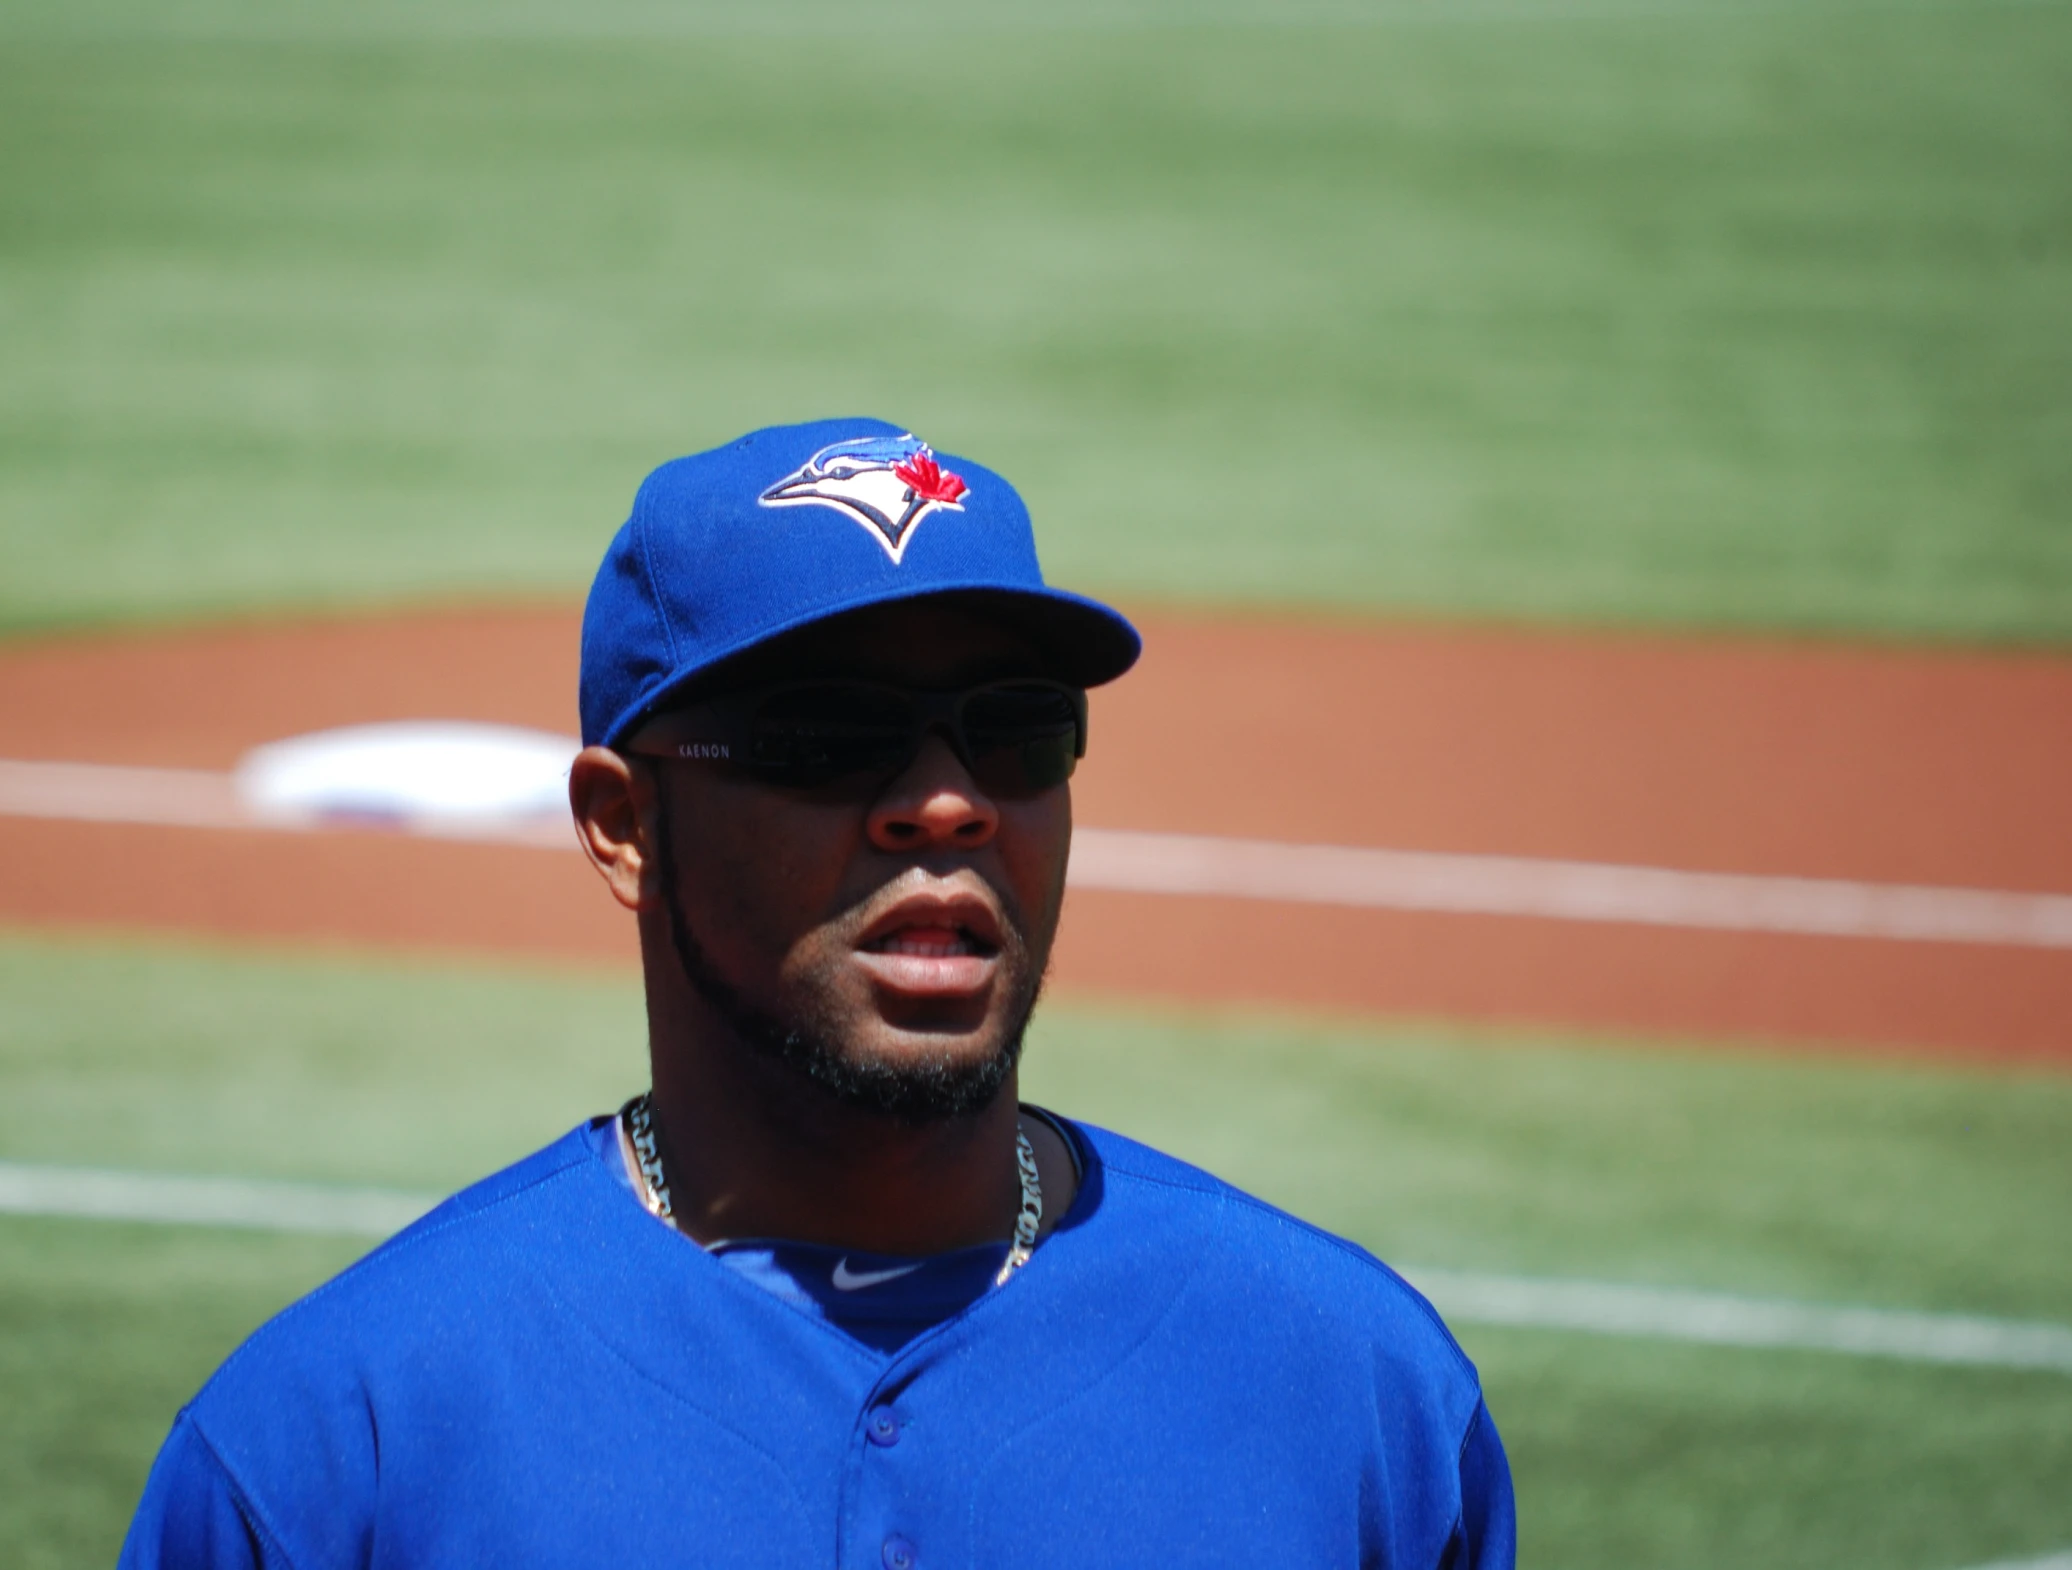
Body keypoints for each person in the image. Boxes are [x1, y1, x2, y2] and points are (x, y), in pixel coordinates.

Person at [120, 418, 1515, 1569]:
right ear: (625, 826)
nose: (948, 802)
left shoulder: (1355, 1396)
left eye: (1018, 730)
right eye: (826, 736)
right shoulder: (338, 1447)